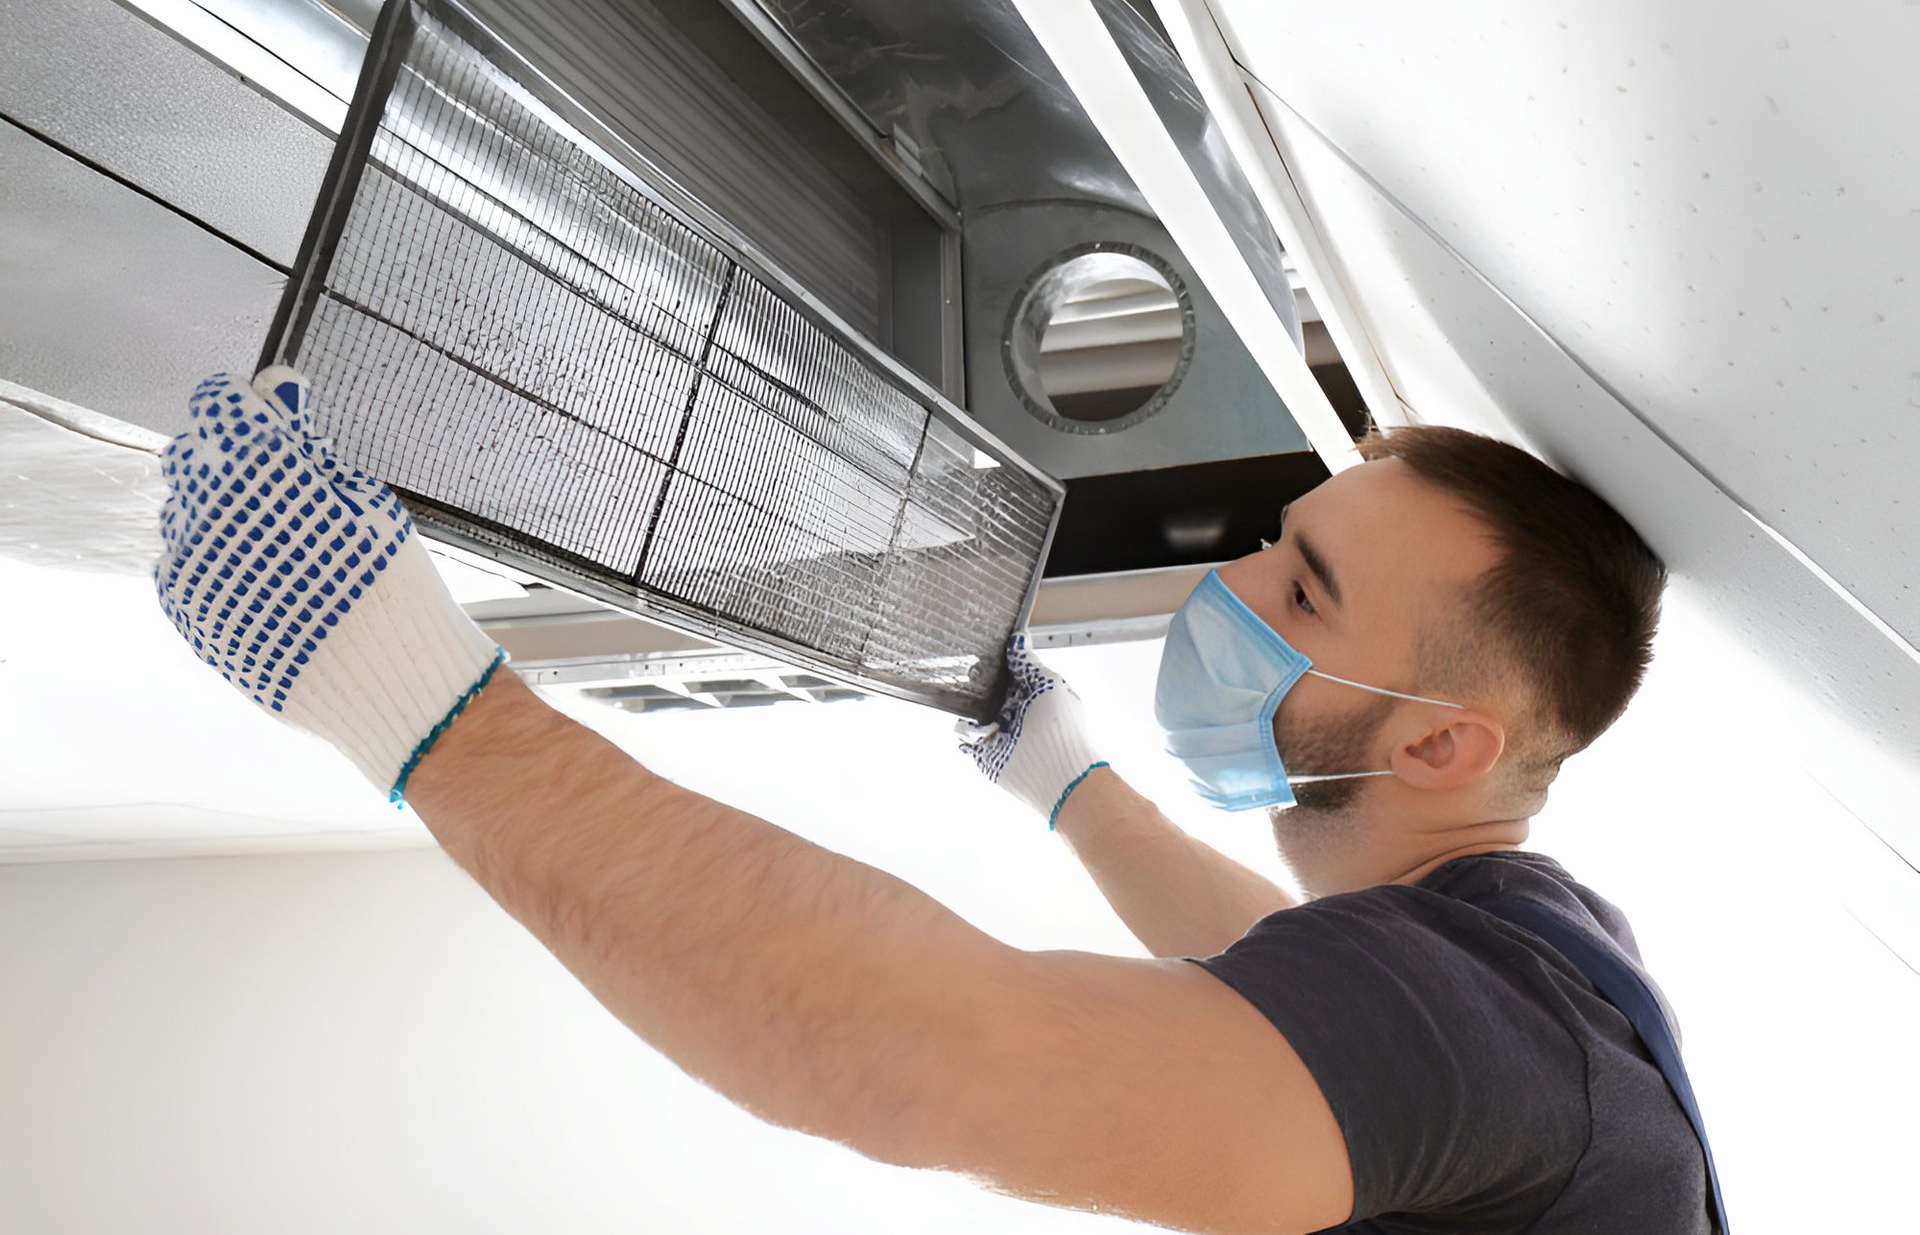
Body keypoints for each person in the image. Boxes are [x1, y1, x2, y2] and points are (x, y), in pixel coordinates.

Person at [153, 365, 1719, 1234]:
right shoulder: (1530, 965)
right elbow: (1279, 986)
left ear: (1442, 746)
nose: (1229, 580)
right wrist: (1067, 781)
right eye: (1273, 538)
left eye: (1301, 589)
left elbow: (918, 1046)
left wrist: (421, 703)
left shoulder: (1511, 1022)